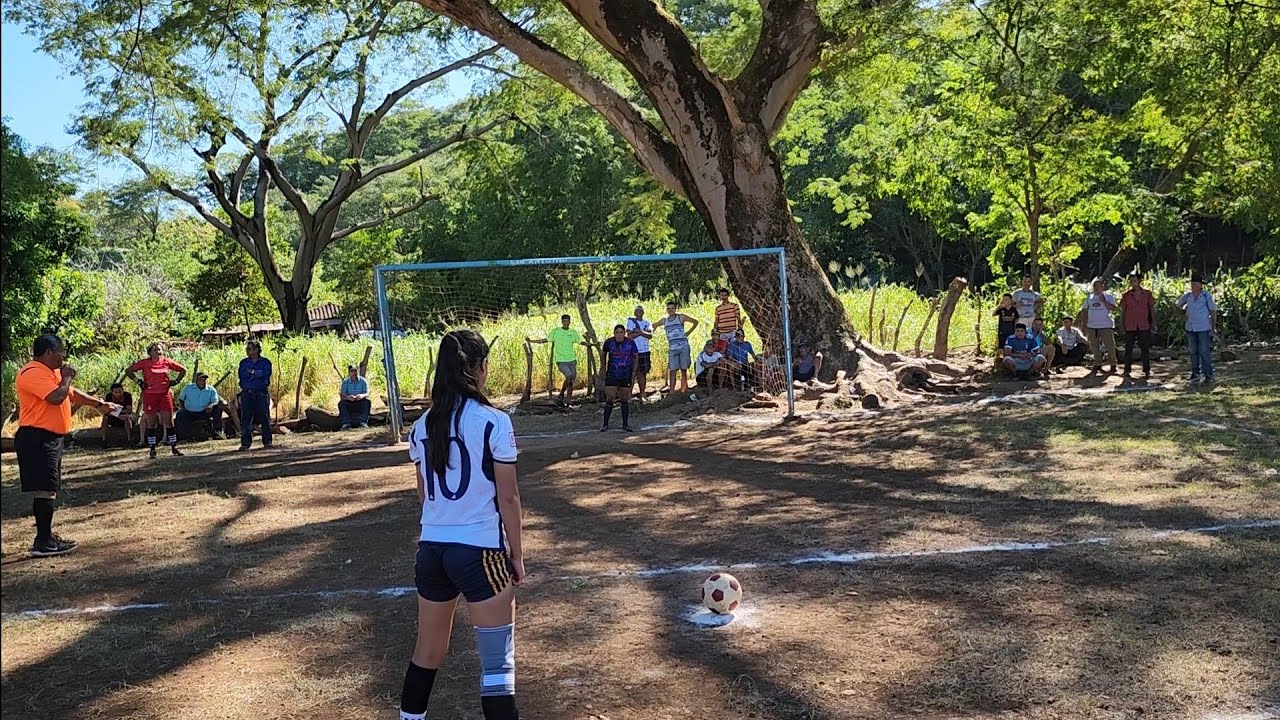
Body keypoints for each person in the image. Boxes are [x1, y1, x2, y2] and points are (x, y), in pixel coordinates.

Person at [403, 329, 524, 720]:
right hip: (479, 552)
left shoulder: (421, 425)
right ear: (480, 368)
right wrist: (516, 557)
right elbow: (508, 497)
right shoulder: (494, 421)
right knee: (497, 666)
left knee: (427, 653)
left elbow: (425, 496)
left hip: (432, 550)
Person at [15, 335, 119, 556]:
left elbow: (70, 394)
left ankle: (46, 536)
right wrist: (66, 378)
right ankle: (43, 542)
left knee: (49, 488)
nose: (64, 356)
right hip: (37, 437)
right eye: (60, 351)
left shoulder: (51, 373)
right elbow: (56, 397)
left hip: (50, 437)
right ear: (48, 352)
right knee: (45, 489)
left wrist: (99, 404)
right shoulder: (31, 372)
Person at [126, 342, 187, 458]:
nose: (158, 352)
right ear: (150, 352)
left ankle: (174, 446)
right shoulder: (144, 363)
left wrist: (176, 381)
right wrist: (138, 381)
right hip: (149, 395)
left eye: (159, 350)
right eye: (155, 350)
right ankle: (152, 449)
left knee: (168, 421)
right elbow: (128, 371)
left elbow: (183, 370)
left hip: (164, 394)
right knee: (151, 422)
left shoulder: (166, 361)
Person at [527, 315, 582, 404]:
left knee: (571, 382)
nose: (566, 323)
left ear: (570, 322)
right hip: (561, 360)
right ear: (562, 322)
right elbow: (546, 340)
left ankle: (568, 402)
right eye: (564, 321)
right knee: (569, 376)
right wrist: (533, 341)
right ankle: (561, 393)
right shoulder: (556, 331)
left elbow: (580, 341)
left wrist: (592, 344)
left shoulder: (573, 332)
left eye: (568, 321)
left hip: (571, 359)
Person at [1176, 273, 1217, 383]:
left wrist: (1213, 328)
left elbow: (1213, 311)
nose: (1193, 286)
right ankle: (1195, 373)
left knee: (1204, 351)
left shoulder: (1205, 296)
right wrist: (1182, 316)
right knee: (1193, 351)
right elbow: (1177, 305)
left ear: (1200, 285)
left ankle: (1208, 374)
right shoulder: (1187, 296)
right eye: (1192, 283)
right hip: (1190, 328)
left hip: (1203, 327)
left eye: (1195, 284)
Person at [599, 324, 639, 432]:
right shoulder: (609, 342)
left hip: (625, 374)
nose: (619, 334)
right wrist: (603, 366)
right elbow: (603, 353)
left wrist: (634, 372)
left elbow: (636, 356)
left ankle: (625, 424)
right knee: (610, 398)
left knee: (624, 399)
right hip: (612, 374)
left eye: (621, 332)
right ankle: (605, 424)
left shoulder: (630, 343)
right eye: (617, 332)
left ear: (624, 333)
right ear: (614, 333)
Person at [1119, 272, 1158, 378]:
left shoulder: (1147, 294)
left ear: (1140, 281)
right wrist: (1121, 324)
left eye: (1135, 281)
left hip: (1143, 324)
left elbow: (1151, 309)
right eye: (1131, 281)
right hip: (1130, 324)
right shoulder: (1126, 295)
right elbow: (1123, 311)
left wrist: (1154, 322)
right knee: (1128, 348)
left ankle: (1146, 369)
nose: (1133, 283)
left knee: (1144, 348)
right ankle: (1127, 370)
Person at [238, 340, 273, 450]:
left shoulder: (265, 362)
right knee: (246, 418)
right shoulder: (243, 363)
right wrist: (257, 374)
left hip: (261, 393)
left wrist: (252, 373)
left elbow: (266, 374)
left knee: (264, 416)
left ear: (256, 350)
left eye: (250, 348)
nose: (247, 351)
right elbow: (243, 377)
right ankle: (245, 443)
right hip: (247, 393)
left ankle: (267, 441)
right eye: (247, 349)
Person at [661, 301, 700, 394]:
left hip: (683, 347)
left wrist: (688, 332)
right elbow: (653, 326)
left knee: (683, 369)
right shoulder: (664, 320)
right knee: (673, 370)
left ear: (675, 309)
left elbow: (695, 322)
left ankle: (684, 390)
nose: (670, 310)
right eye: (668, 308)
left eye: (672, 308)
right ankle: (671, 392)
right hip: (672, 348)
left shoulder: (681, 317)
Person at [1080, 279, 1118, 373]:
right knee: (1094, 346)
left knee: (1110, 346)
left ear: (1103, 286)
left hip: (1106, 325)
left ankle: (1113, 364)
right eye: (1095, 286)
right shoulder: (1089, 297)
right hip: (1092, 326)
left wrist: (1104, 301)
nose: (1097, 288)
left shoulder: (1108, 297)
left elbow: (1113, 308)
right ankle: (1098, 363)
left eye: (1099, 286)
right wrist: (1084, 324)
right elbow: (1085, 311)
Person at [176, 372, 225, 439]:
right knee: (180, 414)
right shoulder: (188, 388)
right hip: (190, 412)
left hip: (205, 412)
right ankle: (183, 437)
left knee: (218, 408)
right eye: (200, 380)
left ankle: (217, 432)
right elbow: (181, 399)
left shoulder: (211, 389)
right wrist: (184, 408)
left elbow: (215, 401)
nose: (203, 382)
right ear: (196, 380)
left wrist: (211, 405)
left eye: (204, 380)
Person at [625, 306, 654, 400]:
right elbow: (629, 336)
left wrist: (639, 332)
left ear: (643, 312)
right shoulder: (631, 322)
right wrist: (642, 333)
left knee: (642, 373)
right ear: (634, 313)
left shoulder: (647, 322)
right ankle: (629, 395)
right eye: (637, 311)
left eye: (640, 311)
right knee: (632, 373)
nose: (639, 313)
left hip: (644, 351)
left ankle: (642, 393)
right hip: (633, 351)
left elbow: (650, 336)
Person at [339, 364, 371, 429]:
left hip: (360, 401)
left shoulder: (363, 381)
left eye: (355, 371)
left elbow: (367, 393)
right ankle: (346, 423)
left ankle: (363, 422)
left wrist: (361, 396)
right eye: (352, 371)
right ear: (349, 372)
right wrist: (348, 397)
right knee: (342, 403)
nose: (354, 373)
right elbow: (342, 395)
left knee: (367, 402)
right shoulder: (345, 382)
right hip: (350, 402)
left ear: (358, 371)